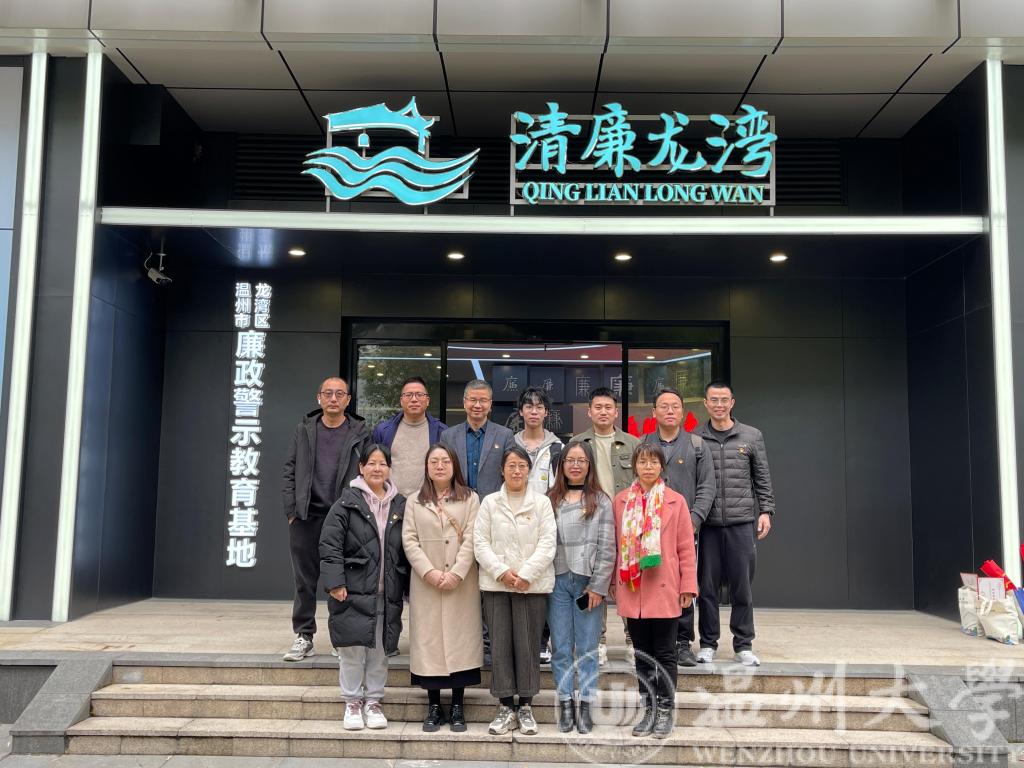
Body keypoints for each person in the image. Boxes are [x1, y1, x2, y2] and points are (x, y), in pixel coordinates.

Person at [319, 443, 408, 731]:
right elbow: (329, 545)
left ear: (389, 468)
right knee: (352, 649)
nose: (377, 469)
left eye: (383, 464)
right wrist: (335, 582)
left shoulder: (401, 505)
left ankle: (374, 701)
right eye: (371, 463)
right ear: (361, 468)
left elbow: (408, 548)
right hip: (352, 590)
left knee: (380, 651)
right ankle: (352, 702)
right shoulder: (345, 504)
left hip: (386, 592)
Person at [611, 443, 697, 739]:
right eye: (642, 462)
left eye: (653, 462)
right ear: (634, 466)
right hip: (633, 585)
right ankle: (648, 708)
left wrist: (688, 586)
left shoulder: (676, 501)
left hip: (665, 586)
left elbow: (686, 548)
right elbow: (614, 546)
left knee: (665, 653)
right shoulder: (621, 501)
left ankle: (665, 709)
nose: (648, 467)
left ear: (662, 466)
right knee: (642, 654)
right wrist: (612, 582)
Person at [281, 376, 370, 662]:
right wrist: (292, 511)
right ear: (318, 397)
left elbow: (368, 472)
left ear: (348, 400)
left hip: (343, 517)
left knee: (341, 578)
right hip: (306, 516)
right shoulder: (304, 429)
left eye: (339, 394)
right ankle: (304, 635)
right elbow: (289, 470)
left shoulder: (360, 433)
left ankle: (339, 638)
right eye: (328, 393)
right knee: (304, 580)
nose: (333, 398)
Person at [473, 446, 556, 736]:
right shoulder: (490, 502)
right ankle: (506, 706)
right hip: (497, 585)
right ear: (502, 470)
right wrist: (502, 572)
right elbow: (480, 542)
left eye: (522, 465)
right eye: (511, 465)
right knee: (500, 645)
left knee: (528, 645)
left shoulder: (542, 503)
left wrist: (526, 574)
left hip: (531, 587)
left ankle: (526, 706)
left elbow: (548, 543)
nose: (517, 470)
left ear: (529, 470)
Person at [693, 382, 775, 667]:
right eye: (714, 400)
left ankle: (743, 644)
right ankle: (707, 644)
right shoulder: (696, 438)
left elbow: (761, 476)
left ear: (732, 402)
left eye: (724, 400)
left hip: (741, 522)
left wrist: (766, 511)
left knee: (743, 588)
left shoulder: (751, 436)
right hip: (708, 524)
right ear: (706, 403)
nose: (719, 405)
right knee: (707, 588)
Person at [403, 443, 482, 733]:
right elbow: (409, 540)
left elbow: (473, 537)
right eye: (434, 461)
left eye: (445, 461)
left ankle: (458, 705)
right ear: (426, 467)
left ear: (454, 465)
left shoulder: (470, 498)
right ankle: (434, 705)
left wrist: (457, 573)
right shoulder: (414, 501)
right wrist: (430, 572)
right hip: (427, 583)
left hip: (461, 583)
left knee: (461, 641)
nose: (439, 466)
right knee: (430, 643)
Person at [641, 387, 715, 668]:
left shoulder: (697, 445)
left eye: (675, 406)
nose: (669, 410)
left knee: (684, 583)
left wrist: (693, 521)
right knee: (652, 583)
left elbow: (707, 487)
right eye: (663, 406)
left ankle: (683, 642)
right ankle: (654, 641)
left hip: (684, 531)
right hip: (648, 530)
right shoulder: (643, 443)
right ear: (654, 412)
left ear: (683, 412)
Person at [546, 441, 615, 734]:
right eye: (570, 460)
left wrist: (598, 586)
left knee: (587, 648)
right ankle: (565, 702)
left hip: (588, 583)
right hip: (557, 581)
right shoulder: (549, 499)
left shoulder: (601, 500)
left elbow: (608, 547)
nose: (575, 465)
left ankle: (586, 703)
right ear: (561, 466)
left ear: (589, 466)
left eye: (581, 461)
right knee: (561, 647)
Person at [570, 386, 639, 667]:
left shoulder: (633, 444)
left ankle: (633, 641)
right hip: (590, 522)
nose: (603, 412)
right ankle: (596, 641)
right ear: (589, 411)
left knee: (629, 579)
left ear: (616, 411)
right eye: (597, 407)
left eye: (608, 407)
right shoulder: (577, 443)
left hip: (626, 523)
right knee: (594, 579)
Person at [514, 386, 563, 664]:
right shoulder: (509, 444)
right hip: (514, 525)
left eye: (539, 407)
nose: (534, 411)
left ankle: (543, 641)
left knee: (543, 582)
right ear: (521, 411)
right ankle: (520, 640)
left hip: (545, 525)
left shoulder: (558, 448)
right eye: (529, 406)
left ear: (546, 412)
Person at [371, 376, 448, 497]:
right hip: (391, 500)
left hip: (428, 500)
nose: (414, 399)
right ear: (401, 400)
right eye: (408, 395)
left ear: (427, 400)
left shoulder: (442, 432)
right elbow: (373, 466)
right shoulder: (383, 431)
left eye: (419, 395)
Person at [440, 379, 516, 499]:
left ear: (490, 404)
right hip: (458, 502)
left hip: (494, 504)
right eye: (473, 400)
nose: (477, 405)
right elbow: (442, 472)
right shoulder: (448, 436)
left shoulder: (505, 435)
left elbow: (511, 472)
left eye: (483, 400)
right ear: (464, 402)